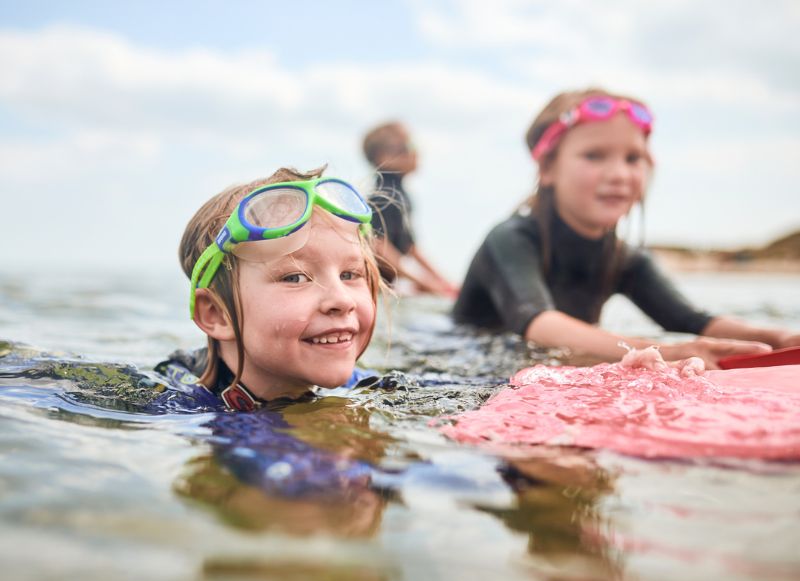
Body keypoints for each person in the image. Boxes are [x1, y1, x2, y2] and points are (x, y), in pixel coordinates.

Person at [453, 88, 800, 368]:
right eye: (594, 156)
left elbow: (693, 320)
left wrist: (775, 338)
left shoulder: (625, 259)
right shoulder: (511, 239)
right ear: (547, 168)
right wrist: (663, 351)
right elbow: (538, 323)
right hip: (466, 362)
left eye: (633, 159)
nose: (619, 175)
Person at [160, 166, 383, 410]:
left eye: (349, 274)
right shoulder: (178, 406)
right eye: (295, 278)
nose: (342, 300)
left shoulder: (370, 387)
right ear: (216, 313)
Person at [362, 121, 458, 297]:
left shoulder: (400, 195)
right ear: (382, 157)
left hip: (388, 285)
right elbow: (379, 246)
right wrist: (430, 285)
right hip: (374, 289)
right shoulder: (383, 196)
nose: (416, 152)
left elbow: (411, 247)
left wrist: (444, 283)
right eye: (408, 146)